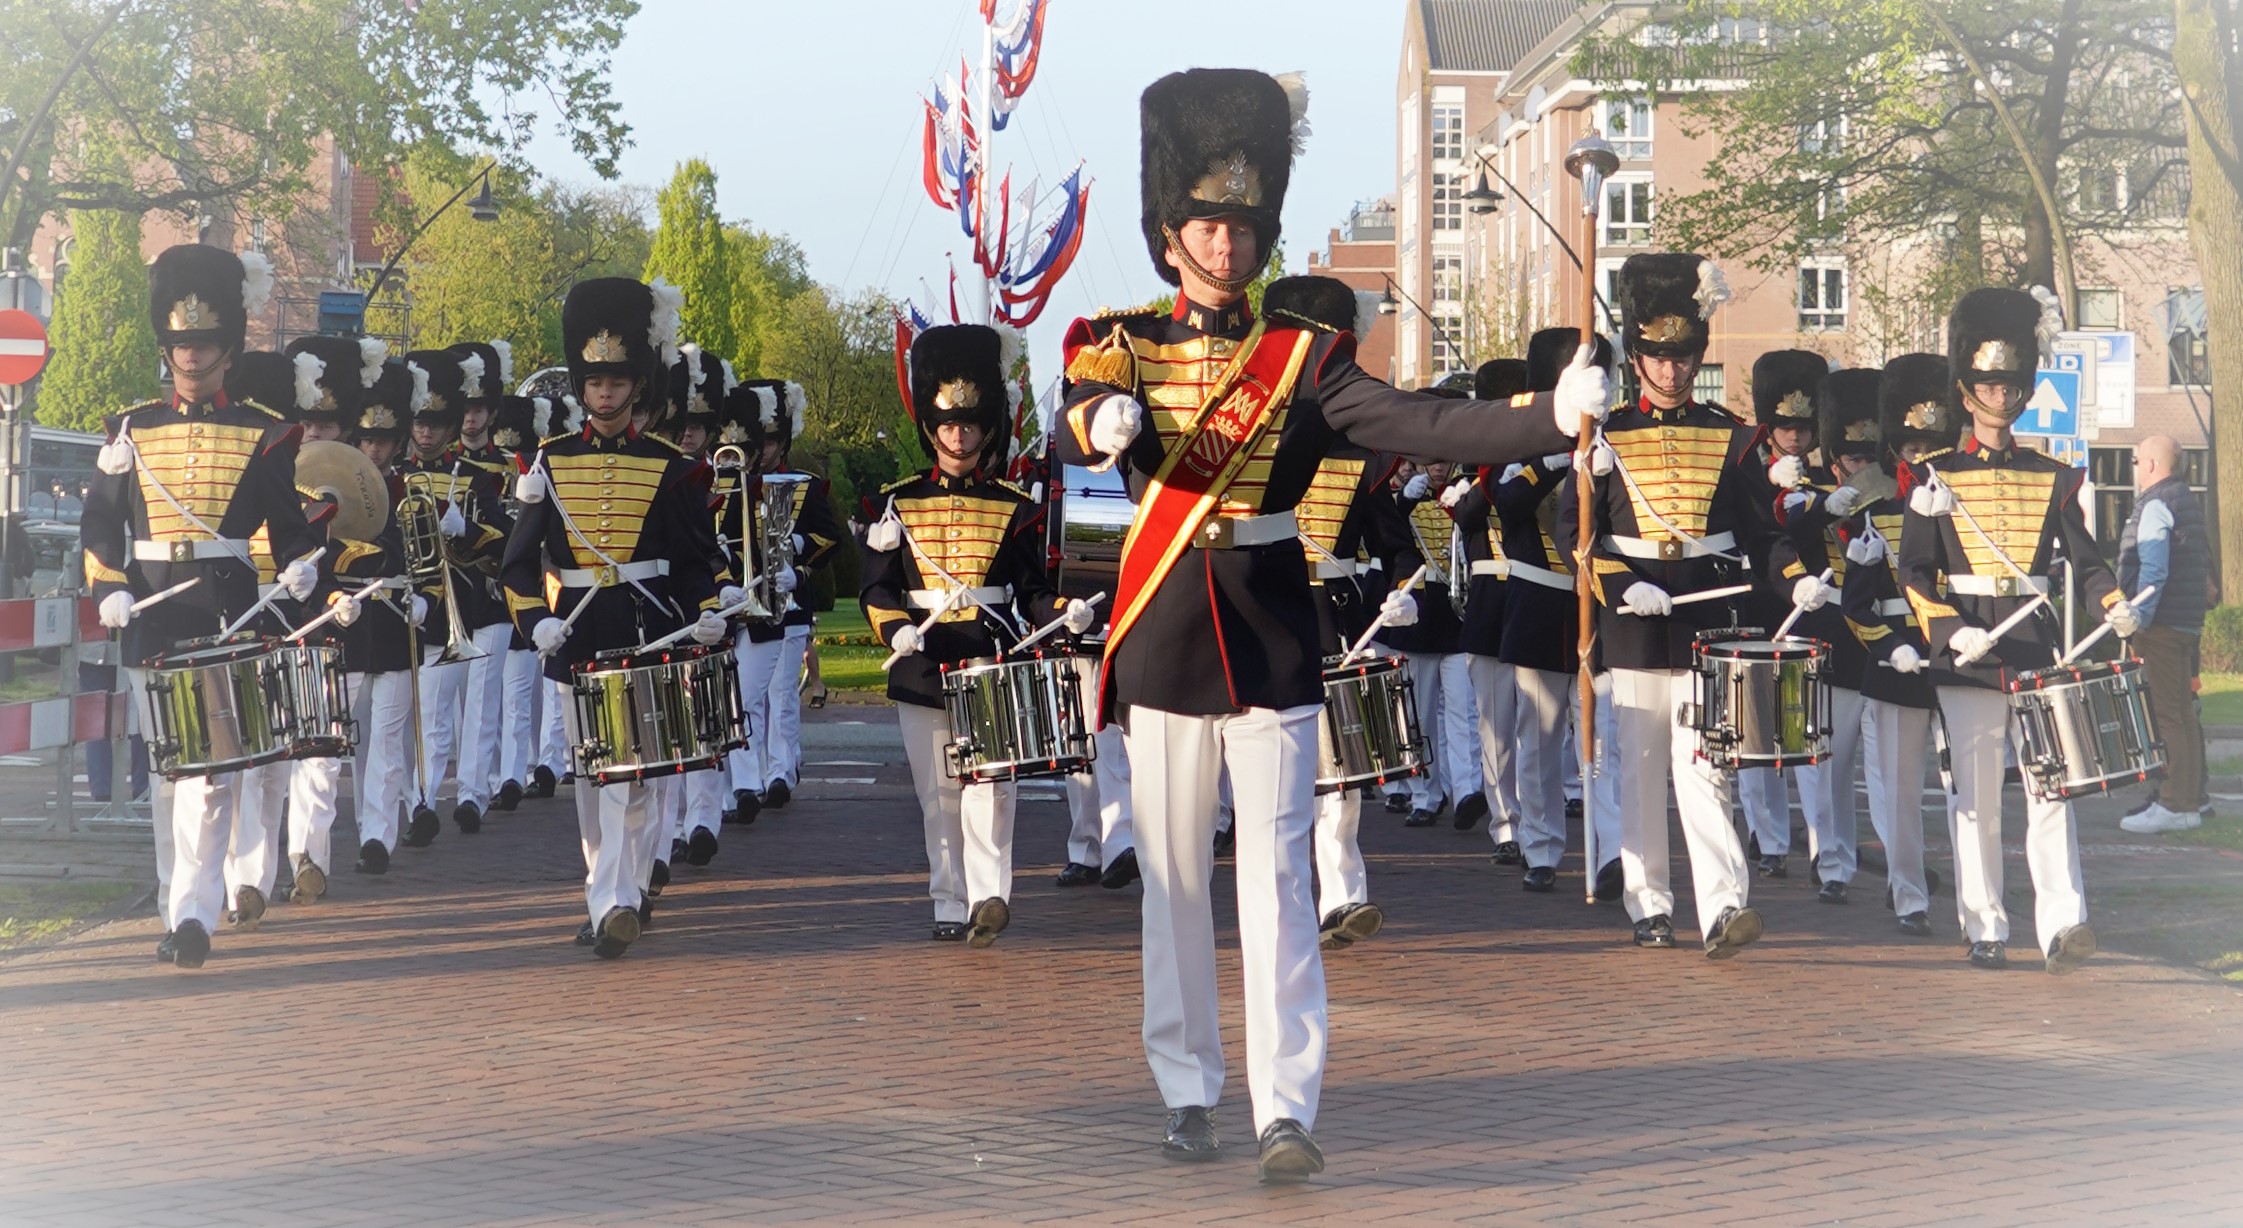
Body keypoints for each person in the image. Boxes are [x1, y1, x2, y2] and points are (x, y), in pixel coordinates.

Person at [1053, 68, 1600, 1182]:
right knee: (1170, 877)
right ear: (1168, 233)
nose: (1226, 242)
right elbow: (1073, 420)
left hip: (1268, 631)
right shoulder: (1118, 343)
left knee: (1280, 877)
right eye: (1207, 223)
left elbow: (1419, 420)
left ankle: (1284, 1104)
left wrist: (1545, 417)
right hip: (1163, 628)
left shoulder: (1298, 360)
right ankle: (1186, 1085)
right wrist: (1094, 421)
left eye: (1244, 225)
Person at [80, 244, 320, 970]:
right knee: (166, 775)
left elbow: (288, 527)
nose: (191, 355)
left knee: (212, 774)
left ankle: (193, 914)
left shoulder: (266, 431)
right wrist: (108, 585)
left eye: (205, 343)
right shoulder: (131, 429)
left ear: (229, 348)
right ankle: (172, 902)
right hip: (151, 610)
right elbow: (99, 522)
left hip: (227, 612)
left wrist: (305, 565)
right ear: (166, 343)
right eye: (181, 342)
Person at [1898, 286, 2131, 973]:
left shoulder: (2053, 476)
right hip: (1968, 650)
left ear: (2025, 391)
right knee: (1975, 798)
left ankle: (2062, 922)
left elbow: (2084, 563)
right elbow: (1912, 573)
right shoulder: (1933, 476)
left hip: (2035, 650)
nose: (1999, 395)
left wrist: (2110, 602)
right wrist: (1945, 631)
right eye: (1987, 383)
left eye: (2009, 383)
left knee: (2050, 791)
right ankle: (1985, 924)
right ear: (1966, 392)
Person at [501, 276, 726, 960]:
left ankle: (619, 901)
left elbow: (696, 561)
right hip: (577, 634)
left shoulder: (673, 467)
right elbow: (516, 563)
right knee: (594, 777)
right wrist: (534, 618)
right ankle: (609, 894)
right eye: (593, 379)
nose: (603, 392)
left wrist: (711, 608)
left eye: (616, 379)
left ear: (637, 383)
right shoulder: (550, 460)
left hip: (649, 626)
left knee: (640, 779)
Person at [1557, 251, 1766, 959]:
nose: (1670, 369)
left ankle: (1723, 905)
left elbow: (1760, 531)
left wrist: (1794, 577)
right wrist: (1619, 585)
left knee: (1706, 766)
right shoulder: (1603, 433)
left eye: (1681, 356)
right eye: (1656, 354)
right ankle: (1648, 903)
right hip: (1636, 622)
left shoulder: (1733, 436)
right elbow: (1572, 536)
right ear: (1636, 356)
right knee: (1641, 767)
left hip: (1708, 619)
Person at [862, 323, 1086, 946]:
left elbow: (1033, 589)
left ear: (988, 426)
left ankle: (989, 896)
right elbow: (875, 587)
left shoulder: (1017, 506)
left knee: (992, 789)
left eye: (969, 424)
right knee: (940, 798)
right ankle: (948, 900)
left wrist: (1063, 610)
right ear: (931, 428)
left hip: (989, 657)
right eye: (947, 425)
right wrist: (898, 629)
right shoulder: (897, 503)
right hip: (923, 661)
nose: (958, 436)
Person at [1259, 273, 1420, 951]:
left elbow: (1394, 544)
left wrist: (1400, 591)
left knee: (1341, 775)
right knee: (1270, 782)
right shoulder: (1251, 440)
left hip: (1340, 620)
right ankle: (1282, 902)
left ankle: (1343, 897)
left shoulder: (1365, 454)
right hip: (1262, 616)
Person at [1491, 329, 1623, 898]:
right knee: (1539, 738)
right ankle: (1540, 846)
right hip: (1543, 600)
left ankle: (1609, 849)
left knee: (1601, 742)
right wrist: (1552, 463)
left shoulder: (1620, 441)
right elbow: (1503, 504)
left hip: (1603, 603)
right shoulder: (1525, 442)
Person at [1843, 352, 1956, 937]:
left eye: (1932, 444)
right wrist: (1890, 647)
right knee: (1901, 792)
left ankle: (1976, 899)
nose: (1923, 457)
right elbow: (1856, 606)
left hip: (1962, 656)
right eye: (1912, 447)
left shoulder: (1970, 510)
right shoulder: (1874, 512)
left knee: (1966, 788)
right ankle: (1908, 893)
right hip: (1900, 661)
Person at [1759, 352, 1861, 898]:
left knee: (1821, 748)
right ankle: (1772, 840)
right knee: (1771, 745)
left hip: (1827, 621)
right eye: (1785, 427)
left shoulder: (1826, 476)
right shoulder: (1753, 471)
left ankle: (1830, 854)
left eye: (1803, 428)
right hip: (1777, 615)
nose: (1795, 437)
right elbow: (1775, 530)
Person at [399, 348, 508, 840]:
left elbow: (503, 540)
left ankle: (472, 794)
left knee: (481, 707)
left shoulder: (477, 474)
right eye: (420, 422)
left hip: (471, 603)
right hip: (421, 609)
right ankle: (422, 798)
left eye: (435, 423)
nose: (425, 433)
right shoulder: (394, 477)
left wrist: (465, 530)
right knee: (431, 711)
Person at [735, 378, 843, 817]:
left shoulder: (804, 484)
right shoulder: (736, 482)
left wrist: (796, 557)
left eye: (773, 440)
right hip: (747, 606)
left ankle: (780, 770)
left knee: (781, 691)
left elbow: (828, 538)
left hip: (790, 602)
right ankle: (756, 773)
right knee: (749, 696)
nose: (765, 448)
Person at [345, 361, 430, 877]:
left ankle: (379, 834)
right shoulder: (333, 487)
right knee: (354, 735)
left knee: (389, 735)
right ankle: (364, 824)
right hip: (352, 617)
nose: (375, 448)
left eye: (385, 439)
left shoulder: (411, 491)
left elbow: (429, 562)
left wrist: (427, 603)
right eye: (368, 437)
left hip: (397, 619)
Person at [444, 340, 524, 824]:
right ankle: (438, 788)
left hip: (491, 595)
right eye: (465, 410)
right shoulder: (441, 466)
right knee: (446, 706)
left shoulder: (511, 468)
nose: (471, 420)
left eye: (479, 410)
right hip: (448, 593)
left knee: (483, 698)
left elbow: (516, 536)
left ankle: (472, 792)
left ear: (492, 412)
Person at [2119, 434, 2213, 833]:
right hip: (2184, 621)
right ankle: (2189, 803)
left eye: (2138, 460)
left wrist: (2137, 617)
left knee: (2166, 715)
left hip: (2160, 625)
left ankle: (2174, 804)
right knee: (2183, 715)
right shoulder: (2185, 499)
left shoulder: (2156, 504)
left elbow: (2153, 572)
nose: (2137, 467)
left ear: (2153, 464)